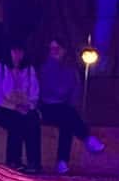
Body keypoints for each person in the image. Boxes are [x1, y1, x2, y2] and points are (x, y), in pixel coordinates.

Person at [38, 39, 104, 174]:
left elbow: (75, 91)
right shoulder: (46, 68)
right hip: (47, 107)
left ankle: (62, 161)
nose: (55, 52)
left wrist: (69, 98)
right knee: (67, 114)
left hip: (64, 108)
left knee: (67, 121)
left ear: (64, 50)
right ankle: (86, 137)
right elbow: (53, 91)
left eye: (57, 49)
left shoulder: (70, 69)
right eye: (52, 49)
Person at [0, 40, 41, 173]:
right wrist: (14, 107)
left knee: (33, 119)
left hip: (24, 107)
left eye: (20, 52)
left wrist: (28, 106)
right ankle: (13, 161)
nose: (17, 55)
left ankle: (33, 162)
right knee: (16, 121)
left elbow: (34, 93)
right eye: (14, 51)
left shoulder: (29, 70)